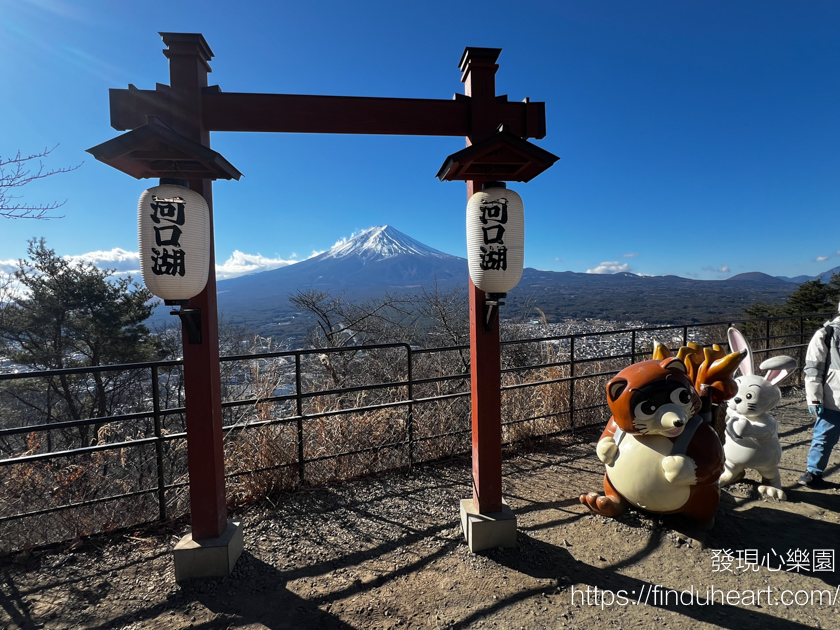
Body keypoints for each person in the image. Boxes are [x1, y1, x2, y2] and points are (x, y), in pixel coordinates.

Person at [800, 302, 840, 487]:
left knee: (823, 437)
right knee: (824, 437)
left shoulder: (827, 333)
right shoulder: (827, 334)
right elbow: (813, 370)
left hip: (833, 397)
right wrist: (815, 398)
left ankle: (813, 473)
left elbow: (813, 369)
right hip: (833, 398)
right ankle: (813, 472)